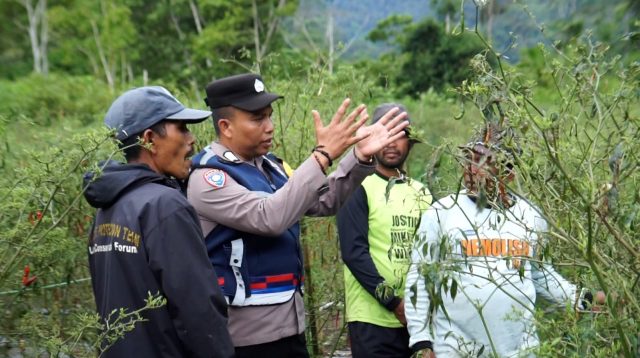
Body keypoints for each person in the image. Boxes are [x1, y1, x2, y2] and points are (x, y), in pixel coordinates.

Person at [186, 73, 409, 357]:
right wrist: (321, 157)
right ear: (226, 127)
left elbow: (324, 201)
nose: (269, 127)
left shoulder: (272, 166)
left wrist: (359, 156)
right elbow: (270, 217)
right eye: (257, 119)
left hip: (290, 329)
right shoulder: (210, 177)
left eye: (269, 116)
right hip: (245, 340)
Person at [405, 122, 602, 357]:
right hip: (457, 349)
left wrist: (583, 299)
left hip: (519, 350)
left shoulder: (530, 215)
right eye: (469, 159)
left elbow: (539, 273)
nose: (471, 169)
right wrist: (421, 342)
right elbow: (419, 277)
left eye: (483, 163)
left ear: (509, 173)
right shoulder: (442, 212)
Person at [84, 86, 234, 357]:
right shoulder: (165, 205)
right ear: (150, 139)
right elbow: (197, 308)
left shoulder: (107, 207)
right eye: (182, 128)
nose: (192, 140)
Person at [336, 103, 431, 358]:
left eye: (399, 135)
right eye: (385, 134)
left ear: (410, 142)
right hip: (372, 321)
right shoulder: (357, 186)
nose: (391, 143)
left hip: (416, 321)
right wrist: (393, 303)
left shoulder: (421, 192)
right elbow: (354, 253)